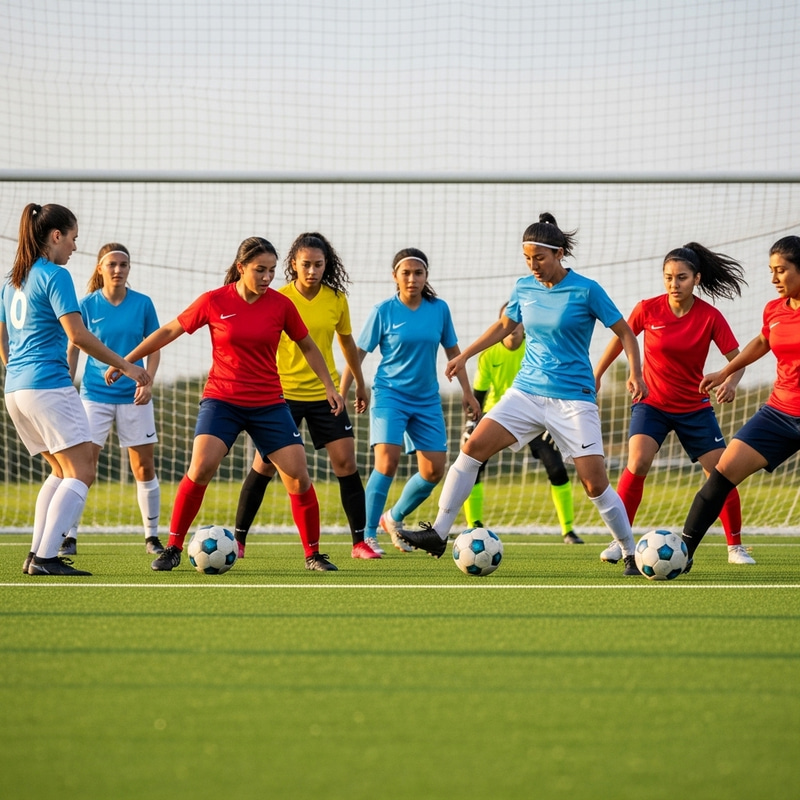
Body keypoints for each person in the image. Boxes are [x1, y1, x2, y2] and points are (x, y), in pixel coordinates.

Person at [398, 213, 647, 576]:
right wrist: (464, 355)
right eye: (527, 258)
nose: (533, 265)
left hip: (573, 398)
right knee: (471, 449)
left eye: (539, 258)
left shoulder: (587, 290)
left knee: (595, 483)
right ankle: (438, 532)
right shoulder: (524, 287)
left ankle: (628, 552)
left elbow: (625, 332)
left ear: (559, 254)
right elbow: (505, 325)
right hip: (526, 393)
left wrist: (635, 374)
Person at [105, 236, 345, 572]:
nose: (266, 277)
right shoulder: (214, 301)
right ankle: (173, 547)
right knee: (201, 468)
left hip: (269, 404)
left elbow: (307, 346)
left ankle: (313, 554)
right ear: (240, 268)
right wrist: (124, 361)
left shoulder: (281, 305)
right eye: (260, 270)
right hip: (222, 400)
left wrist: (329, 387)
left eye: (272, 271)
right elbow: (170, 330)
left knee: (299, 477)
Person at [0, 203, 151, 576]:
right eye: (73, 238)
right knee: (83, 469)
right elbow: (78, 336)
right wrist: (127, 366)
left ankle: (38, 552)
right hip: (46, 385)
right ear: (56, 236)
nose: (74, 247)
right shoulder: (54, 275)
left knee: (60, 470)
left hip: (15, 389)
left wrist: (16, 370)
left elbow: (2, 339)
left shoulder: (12, 280)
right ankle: (47, 558)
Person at [594, 242, 754, 565]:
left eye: (681, 277)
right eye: (668, 277)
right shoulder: (647, 309)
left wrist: (731, 382)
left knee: (721, 472)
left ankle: (735, 546)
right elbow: (621, 339)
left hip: (694, 408)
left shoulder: (710, 317)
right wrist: (597, 375)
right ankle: (620, 540)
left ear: (696, 278)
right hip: (651, 403)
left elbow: (738, 360)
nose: (673, 284)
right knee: (637, 461)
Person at [232, 232, 378, 560]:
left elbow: (346, 345)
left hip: (325, 395)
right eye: (306, 265)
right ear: (293, 265)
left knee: (346, 463)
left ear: (327, 265)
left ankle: (359, 543)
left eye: (319, 265)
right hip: (280, 396)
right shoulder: (277, 297)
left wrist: (359, 382)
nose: (312, 271)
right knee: (265, 465)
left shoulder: (337, 299)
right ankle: (239, 540)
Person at [341, 247, 480, 555]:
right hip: (390, 395)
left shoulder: (439, 309)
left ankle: (395, 517)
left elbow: (454, 353)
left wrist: (467, 392)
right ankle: (366, 535)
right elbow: (357, 355)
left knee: (434, 471)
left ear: (426, 276)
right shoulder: (383, 311)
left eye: (418, 273)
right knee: (387, 461)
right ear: (395, 276)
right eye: (406, 273)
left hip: (427, 399)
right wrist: (346, 391)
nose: (412, 278)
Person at [680, 235, 800, 571]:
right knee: (722, 473)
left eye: (782, 270)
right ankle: (683, 553)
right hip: (779, 412)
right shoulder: (775, 309)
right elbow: (764, 340)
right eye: (771, 271)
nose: (775, 278)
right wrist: (726, 371)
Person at [63, 243, 164, 556]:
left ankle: (151, 537)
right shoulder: (86, 305)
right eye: (112, 265)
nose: (118, 270)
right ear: (100, 269)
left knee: (143, 467)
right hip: (94, 395)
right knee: (82, 466)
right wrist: (67, 385)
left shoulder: (143, 304)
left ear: (129, 269)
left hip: (134, 397)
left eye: (124, 265)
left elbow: (154, 347)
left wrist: (148, 383)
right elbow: (73, 347)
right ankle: (68, 536)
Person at [462, 302, 583, 544]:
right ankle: (473, 525)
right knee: (472, 462)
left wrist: (553, 424)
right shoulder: (489, 355)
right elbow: (479, 397)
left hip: (535, 414)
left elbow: (551, 386)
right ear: (501, 325)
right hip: (497, 414)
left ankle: (568, 530)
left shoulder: (536, 348)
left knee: (556, 466)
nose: (514, 326)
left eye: (519, 320)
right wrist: (469, 426)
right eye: (509, 320)